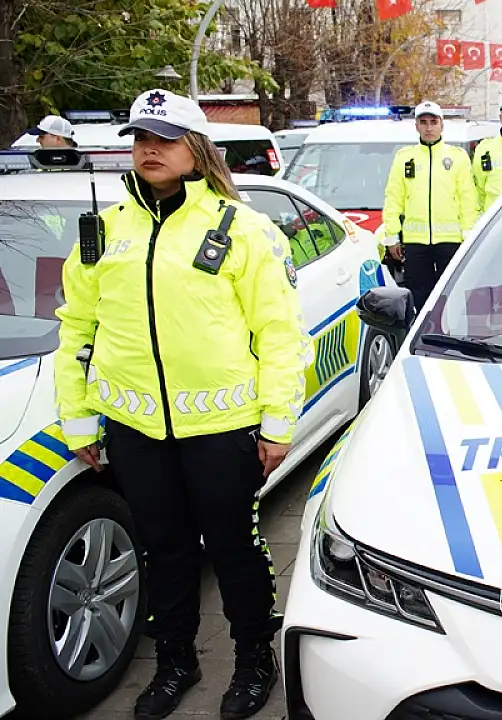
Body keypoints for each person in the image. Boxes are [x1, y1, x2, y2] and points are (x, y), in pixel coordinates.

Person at [54, 89, 309, 719]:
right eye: (141, 138)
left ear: (196, 149)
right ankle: (175, 662)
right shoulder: (105, 231)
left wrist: (277, 425)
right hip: (137, 430)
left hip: (222, 429)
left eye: (164, 139)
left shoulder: (241, 228)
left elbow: (279, 334)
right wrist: (79, 420)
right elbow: (76, 328)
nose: (150, 149)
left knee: (234, 549)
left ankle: (253, 660)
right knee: (163, 551)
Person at [383, 100, 478, 312]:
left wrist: (468, 236)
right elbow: (393, 198)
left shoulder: (457, 157)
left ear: (442, 125)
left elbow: (467, 199)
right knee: (419, 296)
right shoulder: (404, 157)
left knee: (451, 294)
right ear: (416, 126)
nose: (428, 127)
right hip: (415, 242)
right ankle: (423, 332)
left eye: (433, 122)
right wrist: (392, 237)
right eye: (423, 122)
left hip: (451, 240)